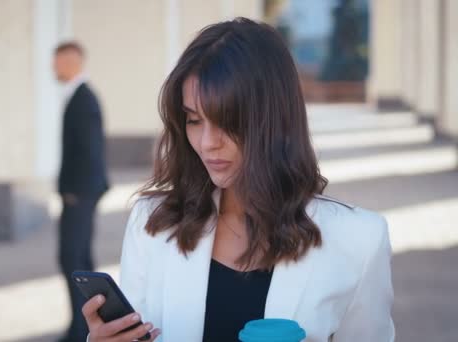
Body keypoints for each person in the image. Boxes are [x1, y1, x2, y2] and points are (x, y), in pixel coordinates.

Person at [81, 18, 394, 342]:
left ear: (276, 119)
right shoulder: (152, 224)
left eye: (228, 122)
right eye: (194, 120)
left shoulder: (359, 239)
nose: (207, 142)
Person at [53, 41, 109, 342]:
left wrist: (75, 194)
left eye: (58, 61)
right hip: (79, 193)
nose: (54, 67)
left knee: (73, 260)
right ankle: (82, 326)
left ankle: (80, 331)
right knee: (78, 260)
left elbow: (91, 152)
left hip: (80, 194)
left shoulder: (83, 98)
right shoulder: (77, 95)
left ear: (73, 61)